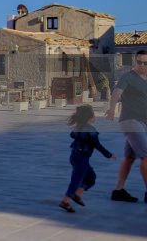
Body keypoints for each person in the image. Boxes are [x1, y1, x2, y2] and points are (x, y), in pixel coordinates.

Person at [106, 49, 147, 203]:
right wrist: (111, 108)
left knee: (129, 158)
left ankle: (119, 190)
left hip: (144, 123)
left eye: (145, 63)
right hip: (131, 121)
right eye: (139, 62)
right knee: (146, 156)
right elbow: (117, 92)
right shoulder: (128, 77)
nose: (142, 65)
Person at [59, 104, 116, 212]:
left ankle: (76, 195)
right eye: (94, 115)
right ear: (89, 117)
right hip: (81, 158)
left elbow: (73, 135)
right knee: (76, 180)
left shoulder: (79, 127)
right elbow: (97, 145)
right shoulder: (90, 130)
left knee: (91, 177)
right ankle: (65, 201)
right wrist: (109, 155)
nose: (95, 117)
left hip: (75, 156)